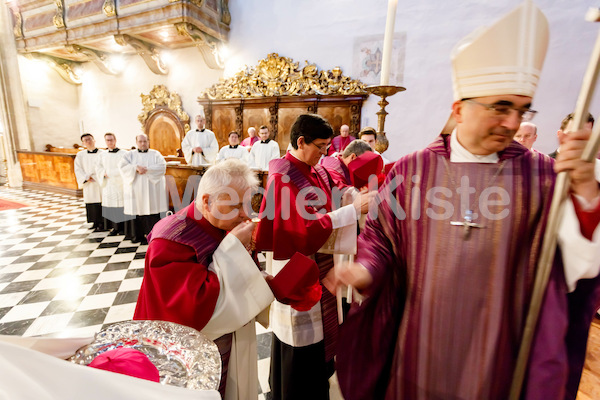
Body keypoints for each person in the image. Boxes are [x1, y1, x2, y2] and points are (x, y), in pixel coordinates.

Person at [329, 3, 600, 400]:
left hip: (499, 360)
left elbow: (574, 268)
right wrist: (366, 270)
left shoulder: (543, 177)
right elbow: (382, 240)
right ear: (459, 110)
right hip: (419, 349)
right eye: (500, 107)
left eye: (522, 109)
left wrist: (588, 197)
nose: (513, 122)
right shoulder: (411, 171)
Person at [134, 159, 319, 400]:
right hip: (188, 354)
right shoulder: (171, 239)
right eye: (233, 205)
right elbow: (190, 311)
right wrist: (232, 247)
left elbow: (237, 275)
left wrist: (265, 281)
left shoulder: (224, 223)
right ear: (205, 202)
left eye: (247, 203)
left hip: (234, 338)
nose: (244, 214)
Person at [255, 113, 375, 400]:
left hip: (320, 263)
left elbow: (330, 197)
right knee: (301, 337)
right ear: (300, 141)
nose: (325, 153)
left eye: (327, 146)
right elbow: (303, 229)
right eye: (320, 146)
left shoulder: (316, 169)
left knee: (321, 337)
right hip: (299, 265)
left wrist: (352, 197)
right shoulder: (283, 177)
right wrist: (352, 209)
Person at [118, 134, 167, 244]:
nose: (143, 143)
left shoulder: (156, 154)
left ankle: (153, 236)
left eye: (145, 141)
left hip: (151, 189)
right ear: (136, 142)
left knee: (152, 212)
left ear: (148, 141)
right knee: (137, 211)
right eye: (140, 141)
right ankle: (137, 236)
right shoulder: (129, 155)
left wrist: (147, 170)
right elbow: (122, 167)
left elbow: (162, 167)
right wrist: (135, 168)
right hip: (135, 188)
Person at [96, 133, 127, 235]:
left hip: (120, 184)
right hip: (108, 184)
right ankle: (114, 227)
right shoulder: (102, 155)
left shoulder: (124, 154)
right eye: (107, 140)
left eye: (111, 140)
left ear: (115, 140)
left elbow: (125, 168)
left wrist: (111, 173)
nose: (109, 142)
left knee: (121, 205)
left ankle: (123, 227)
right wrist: (102, 173)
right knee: (111, 205)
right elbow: (98, 167)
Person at [74, 133, 105, 232]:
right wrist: (86, 177)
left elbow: (106, 166)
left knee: (102, 201)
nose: (88, 141)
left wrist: (100, 175)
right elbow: (77, 168)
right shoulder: (80, 155)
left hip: (100, 181)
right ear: (83, 143)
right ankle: (94, 222)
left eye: (90, 139)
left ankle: (103, 222)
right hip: (88, 181)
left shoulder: (103, 153)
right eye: (86, 140)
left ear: (94, 140)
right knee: (91, 201)